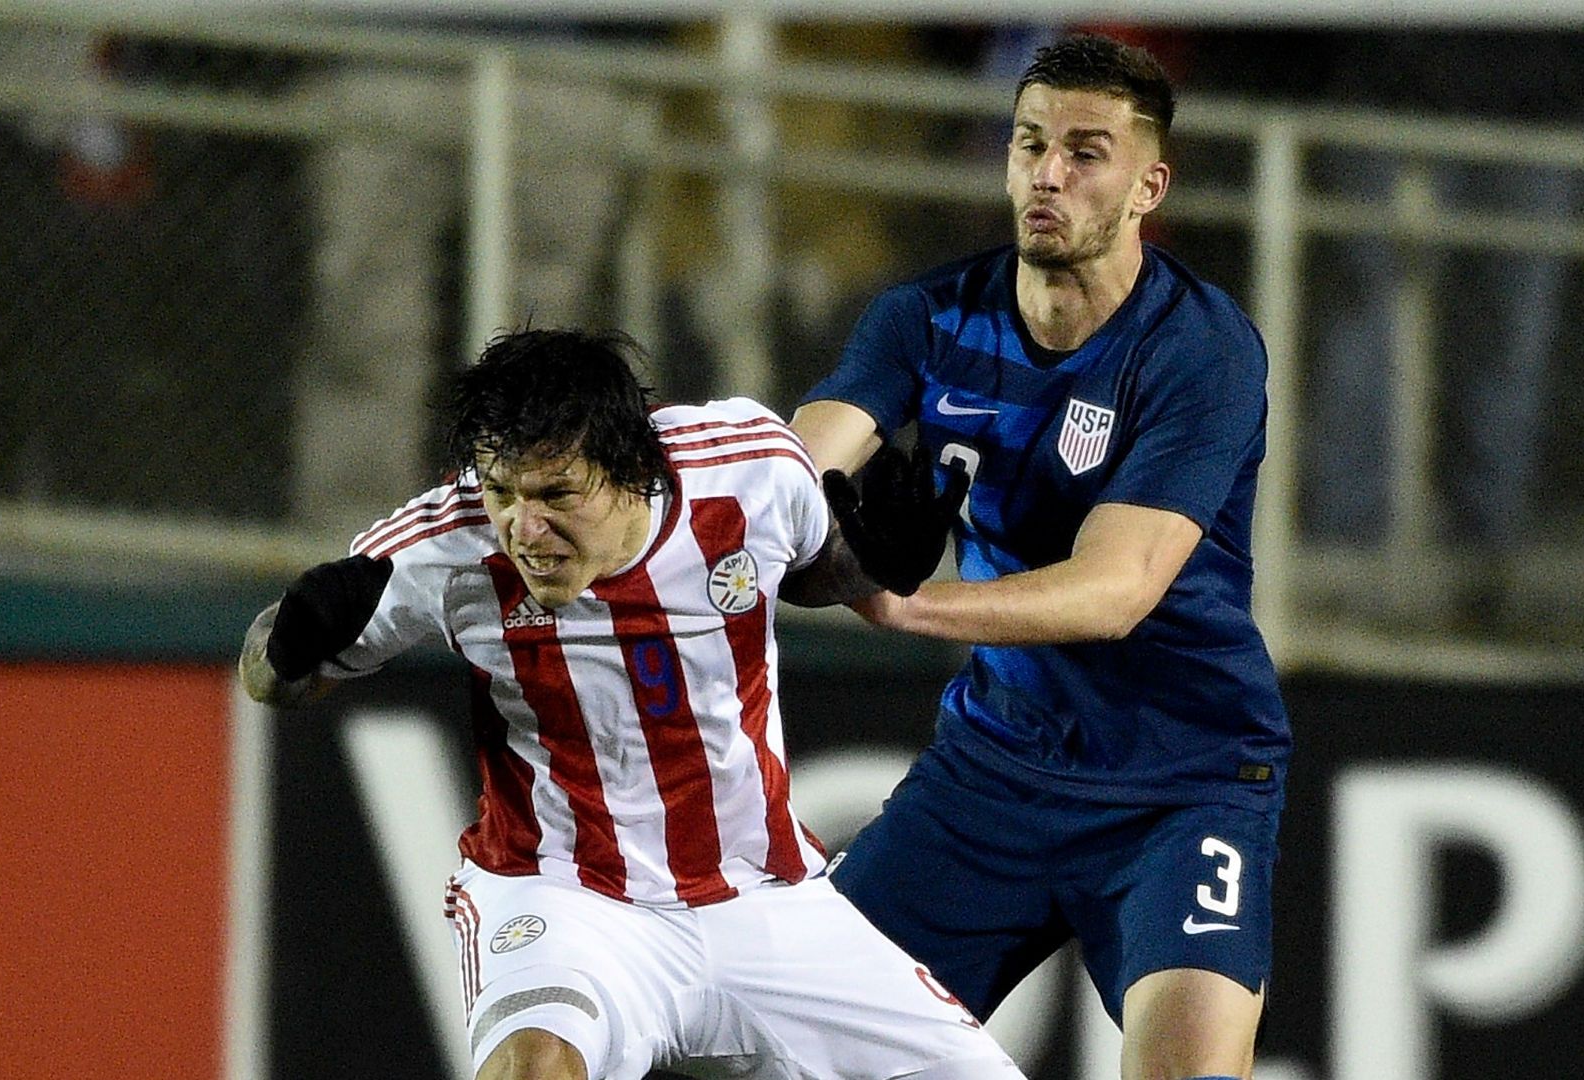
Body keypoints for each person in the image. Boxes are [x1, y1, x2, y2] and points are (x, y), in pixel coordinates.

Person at [238, 328, 1025, 1080]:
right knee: (534, 1066)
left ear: (629, 468)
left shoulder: (749, 470)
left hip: (762, 898)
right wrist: (288, 646)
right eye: (504, 492)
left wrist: (880, 562)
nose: (523, 527)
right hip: (565, 899)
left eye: (555, 495)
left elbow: (818, 568)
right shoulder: (445, 543)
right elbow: (275, 677)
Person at [793, 34, 1289, 1080]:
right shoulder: (926, 319)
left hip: (1184, 779)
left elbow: (1117, 590)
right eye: (1029, 144)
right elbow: (795, 474)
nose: (1048, 174)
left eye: (1086, 151)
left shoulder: (1201, 349)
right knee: (791, 1052)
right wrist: (802, 539)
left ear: (1150, 185)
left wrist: (893, 602)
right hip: (996, 769)